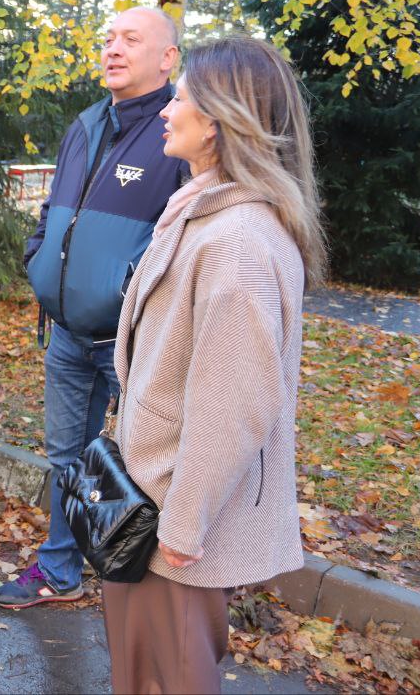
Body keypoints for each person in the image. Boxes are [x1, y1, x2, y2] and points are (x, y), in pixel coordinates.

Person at [104, 37, 324, 693]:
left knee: (167, 676)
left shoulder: (238, 242)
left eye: (182, 97)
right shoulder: (204, 208)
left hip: (173, 522)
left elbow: (234, 406)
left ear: (220, 120)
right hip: (151, 496)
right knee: (144, 666)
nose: (167, 109)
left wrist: (184, 521)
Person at [0, 7, 188, 609]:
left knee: (144, 469)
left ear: (168, 58)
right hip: (68, 334)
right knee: (67, 458)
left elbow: (189, 239)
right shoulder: (83, 125)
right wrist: (38, 259)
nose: (113, 48)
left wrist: (128, 288)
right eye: (108, 38)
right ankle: (60, 569)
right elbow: (57, 210)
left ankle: (144, 589)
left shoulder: (182, 129)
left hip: (132, 343)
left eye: (131, 39)